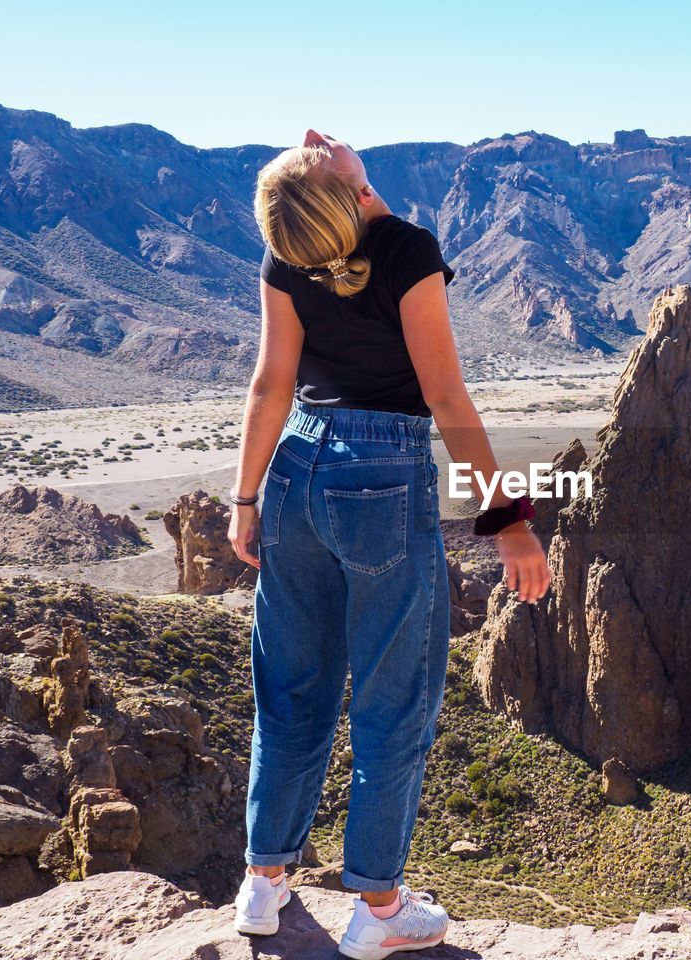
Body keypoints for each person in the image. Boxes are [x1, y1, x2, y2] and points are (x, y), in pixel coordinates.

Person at [226, 129, 550, 957]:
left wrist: (246, 497)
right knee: (391, 702)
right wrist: (508, 522)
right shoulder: (404, 247)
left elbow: (271, 385)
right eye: (324, 154)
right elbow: (445, 396)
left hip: (296, 467)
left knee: (292, 690)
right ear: (348, 197)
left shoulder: (288, 248)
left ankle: (263, 884)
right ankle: (377, 907)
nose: (320, 137)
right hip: (380, 473)